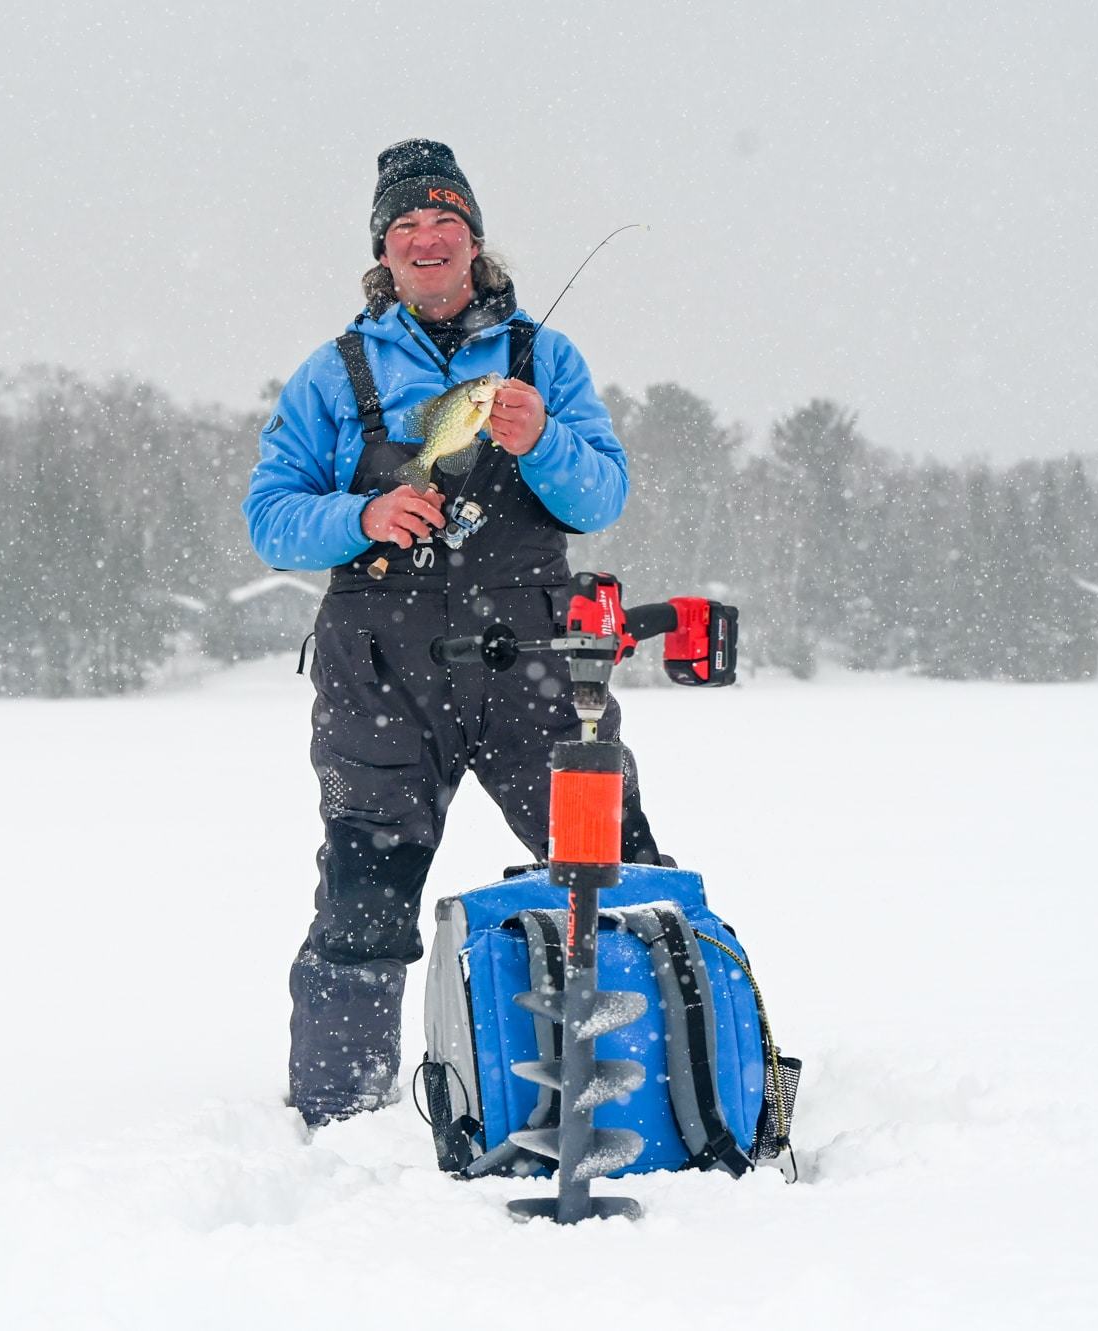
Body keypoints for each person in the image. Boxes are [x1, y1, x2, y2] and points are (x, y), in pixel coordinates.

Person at [244, 139, 663, 1128]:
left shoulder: (544, 359)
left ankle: (661, 1095)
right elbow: (269, 513)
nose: (425, 241)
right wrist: (363, 516)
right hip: (378, 670)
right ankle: (337, 1121)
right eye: (404, 229)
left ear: (474, 241)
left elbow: (598, 493)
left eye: (443, 224)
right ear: (382, 254)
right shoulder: (330, 371)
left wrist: (540, 439)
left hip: (533, 665)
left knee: (616, 876)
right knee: (363, 897)